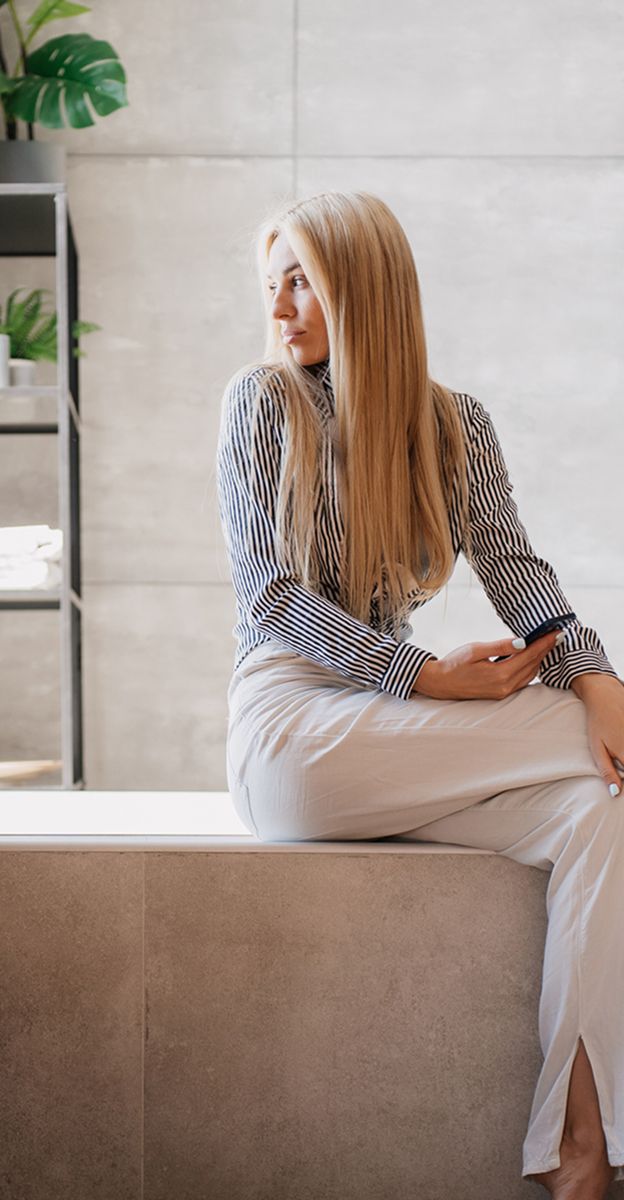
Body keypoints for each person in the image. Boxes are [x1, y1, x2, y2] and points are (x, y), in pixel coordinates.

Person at [215, 190, 624, 1197]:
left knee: (596, 812)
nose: (280, 307)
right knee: (591, 744)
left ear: (366, 284)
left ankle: (580, 1149)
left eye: (302, 277)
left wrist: (596, 677)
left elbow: (517, 571)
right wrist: (428, 677)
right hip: (293, 729)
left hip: (388, 731)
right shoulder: (262, 402)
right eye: (272, 284)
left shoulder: (456, 425)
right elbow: (269, 594)